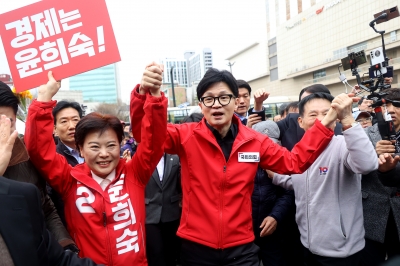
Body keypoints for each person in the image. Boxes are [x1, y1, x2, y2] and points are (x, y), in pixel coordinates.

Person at [130, 65, 355, 265]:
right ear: (201, 103)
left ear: (236, 100)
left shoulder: (254, 141)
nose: (216, 105)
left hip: (241, 248)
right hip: (196, 246)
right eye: (209, 99)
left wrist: (326, 122)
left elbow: (294, 162)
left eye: (224, 97)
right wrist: (144, 96)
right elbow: (146, 137)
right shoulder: (185, 136)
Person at [25, 71, 167, 265]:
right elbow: (39, 150)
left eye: (111, 145)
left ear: (121, 144)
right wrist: (43, 99)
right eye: (94, 147)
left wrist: (154, 97)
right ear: (81, 150)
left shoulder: (135, 173)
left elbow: (155, 141)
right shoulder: (69, 180)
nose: (104, 154)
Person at [268, 92, 377, 265]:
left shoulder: (343, 145)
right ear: (300, 122)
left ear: (336, 118)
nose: (321, 120)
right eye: (313, 114)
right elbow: (299, 183)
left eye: (327, 114)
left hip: (342, 253)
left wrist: (348, 118)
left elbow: (368, 164)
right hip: (306, 245)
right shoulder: (299, 151)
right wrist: (273, 174)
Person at [0, 115, 100, 266]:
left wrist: (65, 243)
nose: (103, 153)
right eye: (64, 120)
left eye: (9, 121)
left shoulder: (26, 191)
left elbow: (55, 255)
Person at [0, 81, 77, 252]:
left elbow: (45, 208)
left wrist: (65, 245)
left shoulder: (25, 157)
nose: (3, 130)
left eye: (8, 122)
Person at [360, 88, 400, 265]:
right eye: (387, 105)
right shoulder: (365, 135)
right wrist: (372, 155)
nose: (391, 110)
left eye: (397, 105)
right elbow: (355, 169)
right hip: (371, 213)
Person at [251, 120, 293, 266]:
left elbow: (289, 193)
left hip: (273, 230)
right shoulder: (242, 161)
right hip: (245, 231)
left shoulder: (283, 160)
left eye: (273, 144)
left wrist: (275, 216)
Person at [145, 153, 182, 266]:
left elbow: (181, 182)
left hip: (171, 213)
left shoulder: (175, 158)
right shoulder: (143, 158)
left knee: (171, 252)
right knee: (156, 253)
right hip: (150, 213)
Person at [51, 101, 84, 225]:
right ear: (54, 129)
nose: (71, 126)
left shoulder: (95, 153)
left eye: (75, 120)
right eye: (64, 121)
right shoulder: (52, 158)